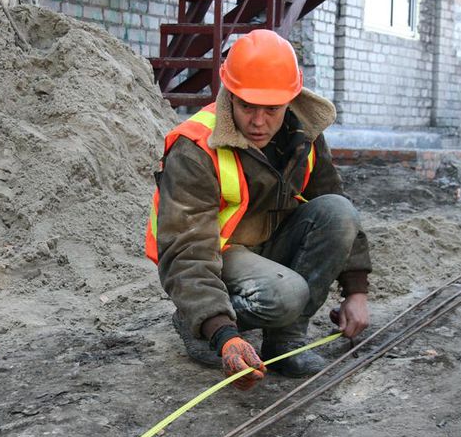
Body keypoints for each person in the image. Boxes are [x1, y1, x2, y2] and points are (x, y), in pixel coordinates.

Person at [145, 30, 372, 391]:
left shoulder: (304, 131)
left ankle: (286, 341)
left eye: (272, 109)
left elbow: (332, 198)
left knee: (338, 212)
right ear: (229, 95)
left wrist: (356, 291)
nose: (258, 121)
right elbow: (186, 252)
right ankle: (195, 325)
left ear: (291, 99)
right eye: (247, 106)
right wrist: (222, 333)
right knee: (286, 294)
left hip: (268, 245)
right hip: (217, 256)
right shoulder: (195, 148)